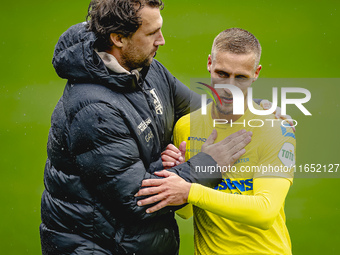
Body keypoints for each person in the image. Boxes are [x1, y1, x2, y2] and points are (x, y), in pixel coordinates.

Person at [40, 1, 258, 254]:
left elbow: (204, 111)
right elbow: (138, 200)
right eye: (152, 33)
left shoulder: (145, 67)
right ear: (118, 38)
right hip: (100, 247)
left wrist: (258, 113)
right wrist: (208, 164)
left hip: (133, 243)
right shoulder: (93, 110)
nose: (162, 40)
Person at [136, 28, 296, 255]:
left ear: (256, 73)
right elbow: (186, 211)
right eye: (222, 74)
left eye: (240, 77)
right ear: (209, 63)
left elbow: (265, 212)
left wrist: (189, 189)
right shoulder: (187, 126)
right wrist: (180, 171)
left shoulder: (275, 128)